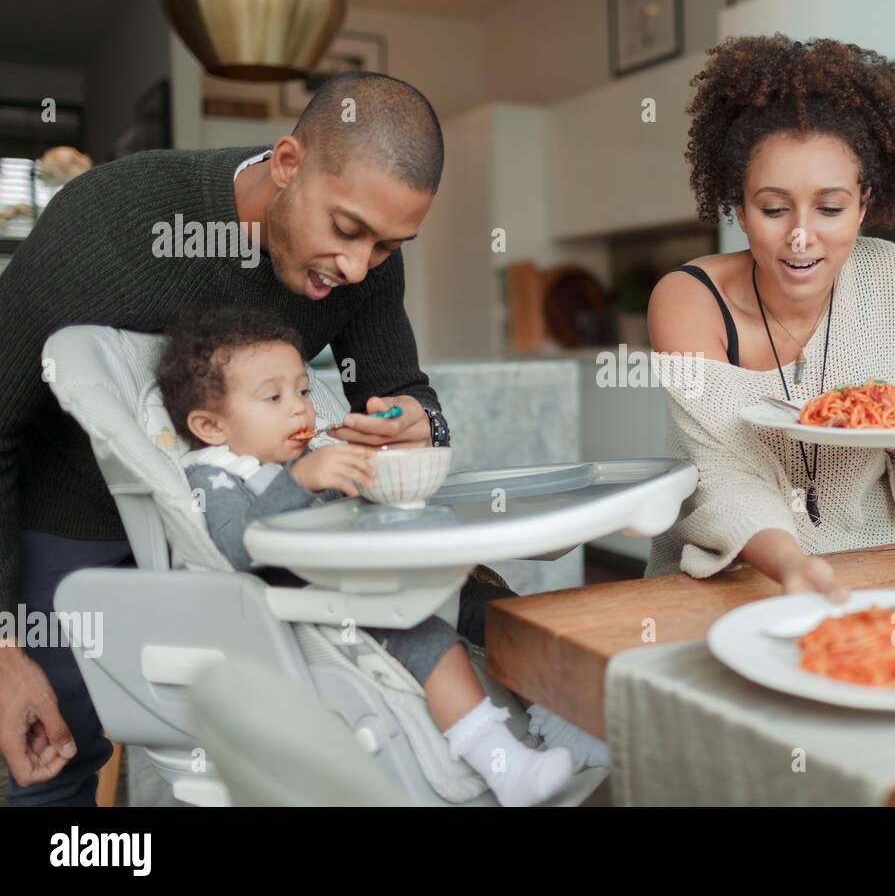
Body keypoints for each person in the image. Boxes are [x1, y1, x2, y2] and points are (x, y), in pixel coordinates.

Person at [3, 71, 463, 805]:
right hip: (75, 515)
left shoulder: (366, 255)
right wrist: (0, 648)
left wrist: (417, 423)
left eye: (385, 247)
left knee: (257, 747)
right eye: (345, 231)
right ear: (287, 163)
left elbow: (403, 391)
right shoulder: (110, 221)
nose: (355, 267)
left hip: (243, 529)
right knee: (51, 757)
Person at [157, 306, 578, 806]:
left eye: (305, 391)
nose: (299, 409)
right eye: (273, 397)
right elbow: (231, 546)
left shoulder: (303, 454)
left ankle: (557, 724)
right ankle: (506, 767)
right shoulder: (216, 476)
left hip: (370, 585)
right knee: (427, 636)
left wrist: (371, 473)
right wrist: (301, 481)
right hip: (313, 617)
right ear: (210, 426)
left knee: (490, 607)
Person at [645, 35, 895, 599]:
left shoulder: (892, 274)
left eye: (830, 208)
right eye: (773, 208)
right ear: (739, 208)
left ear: (864, 203)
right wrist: (792, 564)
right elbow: (722, 476)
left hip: (883, 576)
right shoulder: (687, 299)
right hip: (731, 583)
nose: (800, 235)